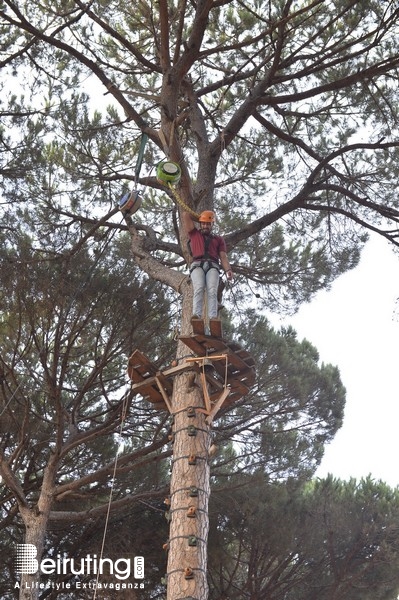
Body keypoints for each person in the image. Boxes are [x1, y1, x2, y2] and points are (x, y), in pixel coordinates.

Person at [182, 210, 233, 322]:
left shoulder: (218, 239)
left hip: (213, 266)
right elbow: (185, 214)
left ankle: (213, 318)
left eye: (208, 224)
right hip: (197, 265)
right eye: (203, 223)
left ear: (212, 224)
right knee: (199, 288)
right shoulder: (194, 233)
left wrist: (228, 269)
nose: (205, 226)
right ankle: (197, 316)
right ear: (200, 223)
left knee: (212, 291)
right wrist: (200, 217)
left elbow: (223, 256)